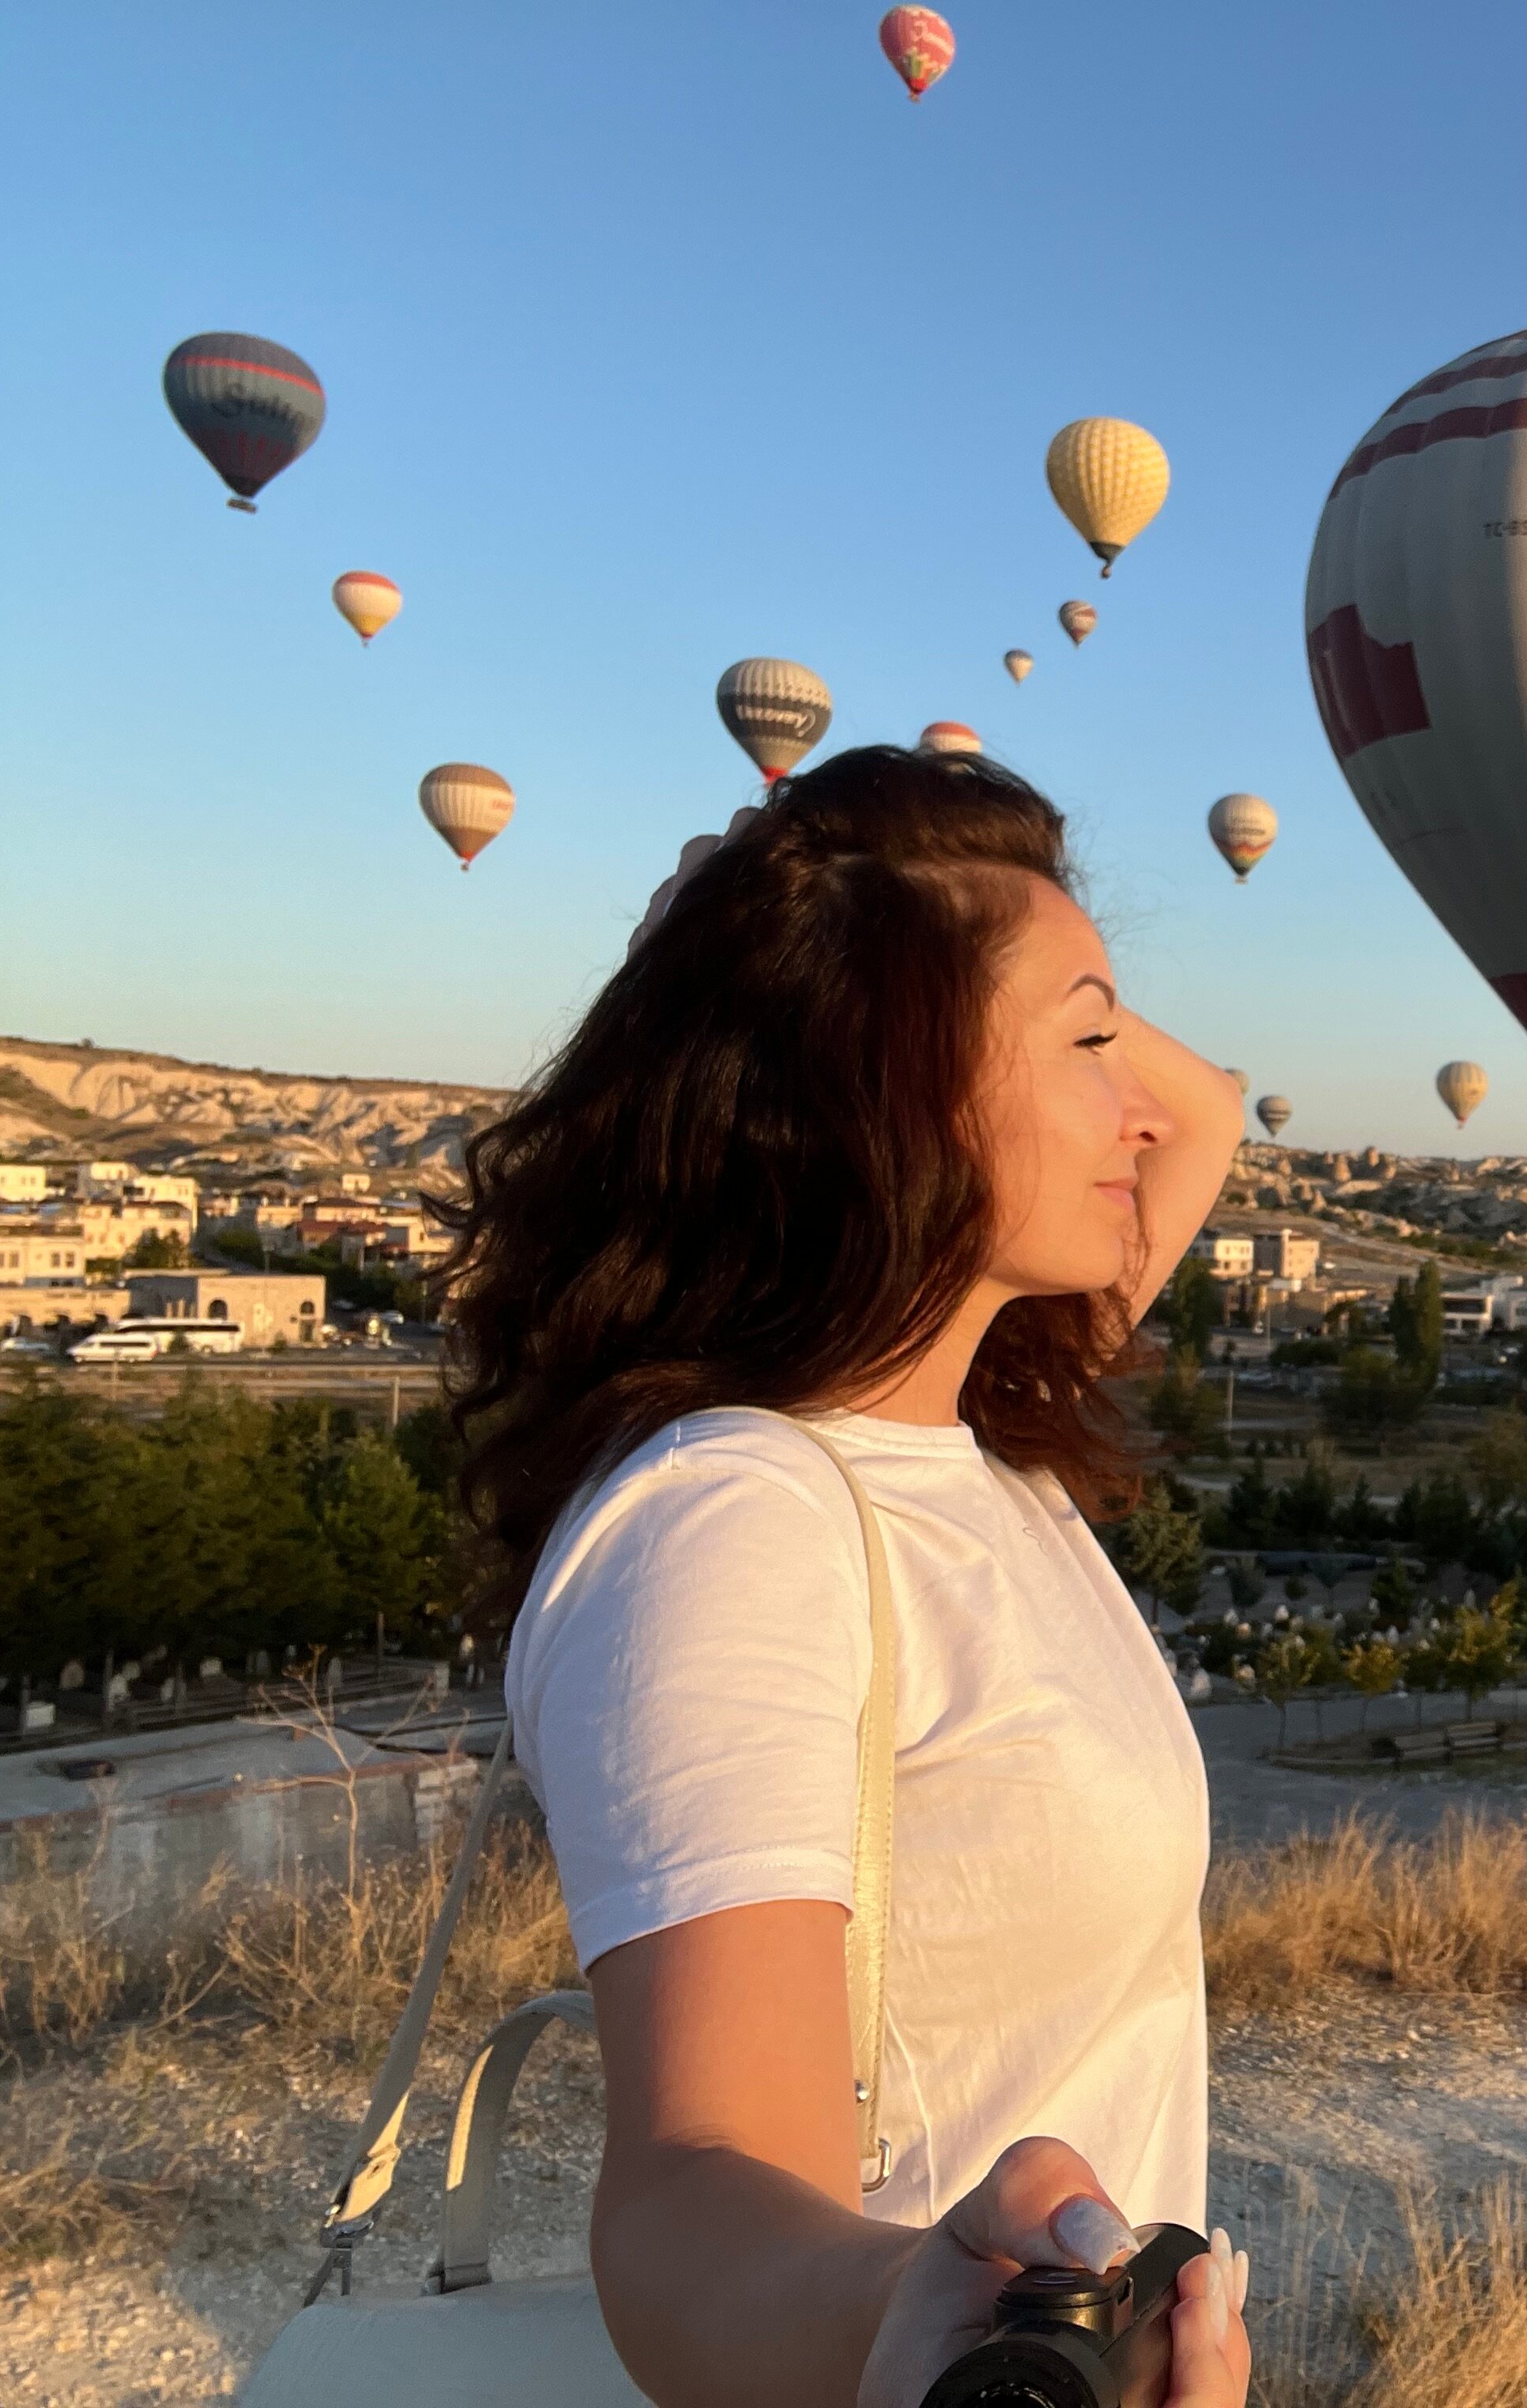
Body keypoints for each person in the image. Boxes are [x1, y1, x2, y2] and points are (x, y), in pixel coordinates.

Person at [447, 749, 1251, 2408]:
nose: (1138, 1103)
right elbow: (691, 2192)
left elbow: (1210, 1111)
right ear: (888, 1087)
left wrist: (842, 869)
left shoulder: (985, 1449)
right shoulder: (733, 1523)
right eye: (1090, 1043)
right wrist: (925, 2332)